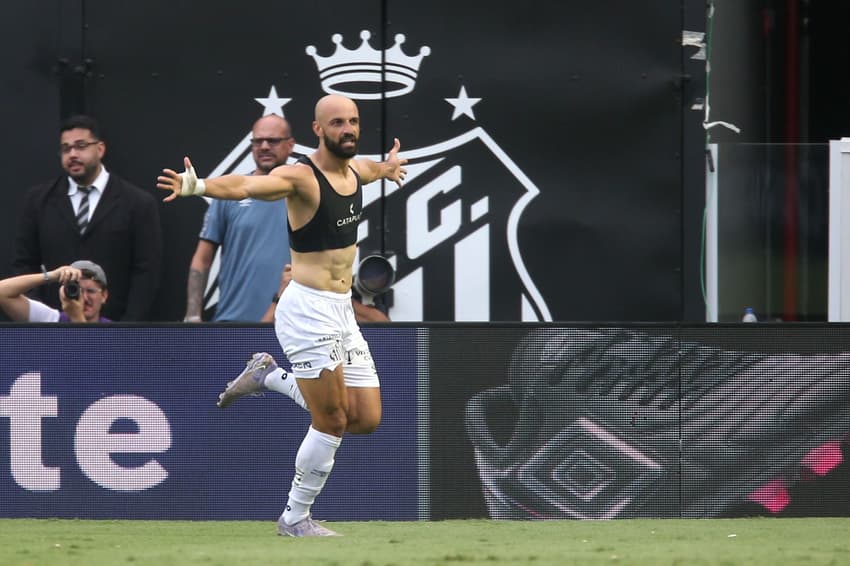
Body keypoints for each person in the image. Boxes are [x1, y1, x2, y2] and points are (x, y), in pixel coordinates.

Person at [157, 94, 406, 537]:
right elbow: (246, 187)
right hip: (307, 309)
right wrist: (199, 186)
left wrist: (387, 168)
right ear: (317, 129)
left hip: (341, 311)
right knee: (330, 420)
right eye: (337, 123)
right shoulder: (299, 177)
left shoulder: (356, 170)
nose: (347, 129)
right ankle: (294, 518)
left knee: (365, 419)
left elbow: (372, 169)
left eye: (353, 122)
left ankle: (268, 376)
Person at [12, 115, 162, 321]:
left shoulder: (137, 203)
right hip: (56, 326)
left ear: (100, 149)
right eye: (66, 149)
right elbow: (24, 263)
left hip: (115, 328)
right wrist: (40, 320)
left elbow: (147, 272)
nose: (72, 154)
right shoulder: (38, 201)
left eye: (80, 146)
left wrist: (129, 328)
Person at [184, 115, 294, 322]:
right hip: (233, 323)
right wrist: (192, 316)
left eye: (272, 141)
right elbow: (202, 259)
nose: (264, 146)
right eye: (257, 141)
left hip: (291, 326)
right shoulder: (229, 194)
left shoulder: (305, 194)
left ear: (290, 145)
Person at [259, 263, 390, 323]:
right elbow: (258, 337)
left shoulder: (342, 298)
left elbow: (384, 327)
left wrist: (332, 293)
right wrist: (282, 296)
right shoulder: (295, 294)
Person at [0, 260, 110, 323]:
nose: (84, 298)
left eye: (91, 291)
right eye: (77, 290)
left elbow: (91, 360)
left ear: (104, 295)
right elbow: (2, 292)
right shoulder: (51, 319)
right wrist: (51, 276)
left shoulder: (115, 333)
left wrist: (77, 317)